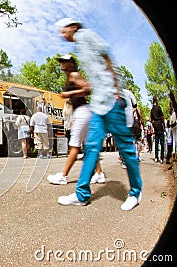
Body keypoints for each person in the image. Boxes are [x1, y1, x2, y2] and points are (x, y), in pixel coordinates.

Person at [55, 18, 142, 211]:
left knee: (126, 148)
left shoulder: (86, 36)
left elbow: (107, 58)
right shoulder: (79, 46)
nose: (62, 34)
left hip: (110, 100)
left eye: (63, 30)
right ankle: (82, 195)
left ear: (73, 27)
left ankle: (135, 192)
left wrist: (117, 90)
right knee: (92, 147)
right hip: (97, 105)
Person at [47, 54, 105, 185]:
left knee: (74, 145)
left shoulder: (74, 74)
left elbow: (87, 89)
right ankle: (100, 174)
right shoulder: (71, 76)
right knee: (88, 146)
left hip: (83, 111)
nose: (61, 63)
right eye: (61, 61)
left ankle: (63, 176)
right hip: (82, 112)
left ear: (71, 63)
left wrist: (69, 93)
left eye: (64, 61)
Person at [150, 96, 165, 163]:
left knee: (156, 142)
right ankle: (161, 158)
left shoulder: (152, 109)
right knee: (162, 143)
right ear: (156, 101)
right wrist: (163, 124)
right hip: (160, 125)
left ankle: (156, 157)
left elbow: (151, 119)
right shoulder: (159, 108)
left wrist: (153, 125)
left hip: (155, 126)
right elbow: (162, 117)